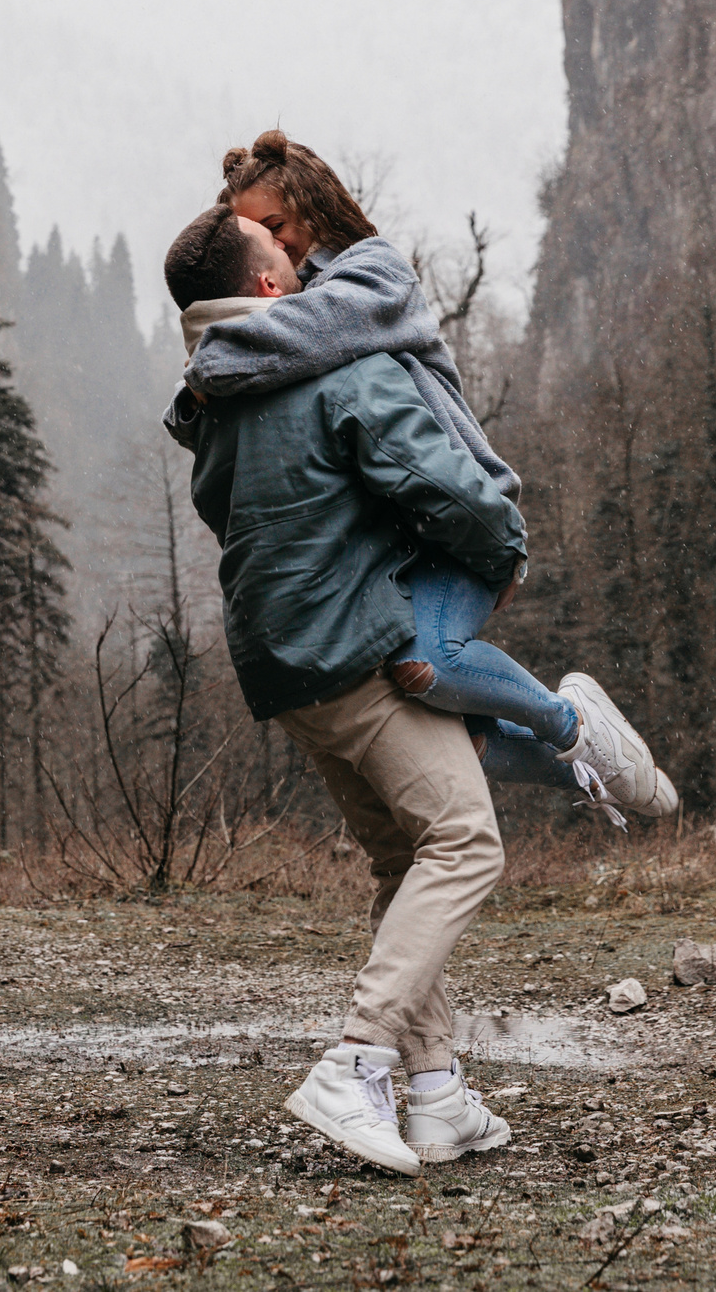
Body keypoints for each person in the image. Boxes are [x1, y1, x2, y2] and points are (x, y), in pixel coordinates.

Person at [161, 202, 516, 1173]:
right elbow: (442, 485)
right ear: (270, 287)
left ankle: (436, 1091)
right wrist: (500, 547)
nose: (306, 264)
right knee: (464, 843)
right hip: (356, 649)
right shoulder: (338, 370)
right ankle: (356, 1063)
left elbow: (225, 504)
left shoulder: (212, 394)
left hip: (281, 664)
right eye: (286, 252)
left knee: (404, 858)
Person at [179, 129, 677, 820]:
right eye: (258, 236)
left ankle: (573, 723)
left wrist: (208, 353)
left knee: (430, 666)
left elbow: (301, 334)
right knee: (451, 731)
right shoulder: (281, 318)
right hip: (403, 537)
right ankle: (586, 777)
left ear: (314, 209)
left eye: (277, 225)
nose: (277, 246)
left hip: (463, 506)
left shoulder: (372, 276)